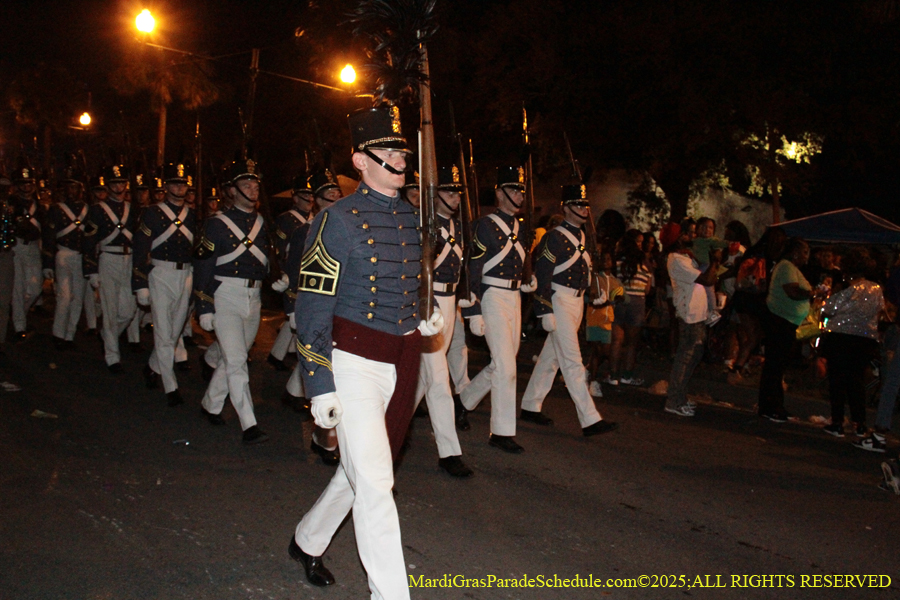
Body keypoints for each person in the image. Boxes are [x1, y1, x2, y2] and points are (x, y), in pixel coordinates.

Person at [288, 106, 441, 599]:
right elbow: (311, 308)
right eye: (389, 151)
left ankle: (307, 538)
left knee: (364, 469)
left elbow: (409, 279)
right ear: (361, 160)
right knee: (376, 482)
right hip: (352, 362)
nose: (400, 158)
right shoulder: (335, 220)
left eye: (402, 150)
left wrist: (426, 310)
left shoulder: (412, 216)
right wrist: (319, 384)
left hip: (403, 358)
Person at [520, 184, 618, 436]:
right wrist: (544, 310)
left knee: (550, 359)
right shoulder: (554, 236)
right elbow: (543, 274)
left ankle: (530, 405)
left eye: (585, 204)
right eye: (577, 204)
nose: (583, 209)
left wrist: (591, 295)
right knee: (573, 361)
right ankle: (590, 419)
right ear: (565, 208)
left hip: (576, 301)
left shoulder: (582, 236)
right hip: (559, 300)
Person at [457, 166, 537, 453]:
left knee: (503, 363)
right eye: (513, 190)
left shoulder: (522, 227)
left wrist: (529, 278)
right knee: (505, 366)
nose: (519, 195)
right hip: (491, 296)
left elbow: (524, 259)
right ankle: (501, 432)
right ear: (499, 193)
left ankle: (464, 401)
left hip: (515, 297)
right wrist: (472, 310)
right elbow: (473, 269)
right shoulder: (484, 225)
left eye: (521, 190)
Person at [193, 158, 270, 444]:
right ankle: (249, 424)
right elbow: (203, 265)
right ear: (232, 191)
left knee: (231, 358)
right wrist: (204, 305)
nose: (252, 189)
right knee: (237, 360)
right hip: (225, 294)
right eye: (245, 184)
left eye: (255, 184)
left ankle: (210, 404)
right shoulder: (216, 225)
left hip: (254, 296)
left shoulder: (263, 222)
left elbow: (268, 259)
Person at [412, 164, 474, 477]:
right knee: (439, 378)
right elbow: (417, 271)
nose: (456, 196)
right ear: (435, 194)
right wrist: (431, 305)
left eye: (458, 191)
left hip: (451, 302)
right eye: (449, 190)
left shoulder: (459, 226)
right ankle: (449, 452)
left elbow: (467, 267)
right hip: (429, 301)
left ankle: (382, 431)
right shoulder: (424, 224)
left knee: (422, 380)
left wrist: (468, 303)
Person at [132, 162, 198, 407]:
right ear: (167, 186)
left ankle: (151, 367)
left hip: (186, 275)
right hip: (160, 273)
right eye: (174, 183)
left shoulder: (193, 215)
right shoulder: (152, 213)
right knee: (162, 331)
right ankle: (170, 386)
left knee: (174, 330)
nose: (179, 187)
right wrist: (140, 282)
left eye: (183, 183)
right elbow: (140, 248)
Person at [818, 248, 884, 437]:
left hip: (840, 336)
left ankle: (837, 421)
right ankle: (859, 423)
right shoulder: (876, 289)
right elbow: (878, 312)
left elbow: (829, 309)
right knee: (856, 380)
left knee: (837, 379)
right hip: (864, 338)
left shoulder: (847, 288)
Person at [82, 165, 140, 373]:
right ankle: (112, 357)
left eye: (122, 182)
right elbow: (89, 240)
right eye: (115, 183)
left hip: (129, 259)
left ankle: (108, 336)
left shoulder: (132, 209)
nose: (119, 187)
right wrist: (92, 270)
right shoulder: (97, 210)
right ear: (108, 185)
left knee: (128, 311)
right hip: (108, 259)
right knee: (109, 310)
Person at [664, 225, 722, 416]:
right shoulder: (677, 260)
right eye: (688, 233)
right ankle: (673, 401)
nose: (693, 236)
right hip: (689, 314)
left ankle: (679, 397)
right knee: (685, 358)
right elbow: (707, 280)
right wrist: (714, 261)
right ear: (678, 238)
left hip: (697, 313)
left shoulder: (687, 257)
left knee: (692, 357)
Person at [758, 237, 815, 422]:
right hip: (780, 321)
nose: (808, 256)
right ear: (796, 252)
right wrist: (812, 293)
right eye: (805, 252)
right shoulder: (787, 267)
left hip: (786, 321)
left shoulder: (790, 268)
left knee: (777, 365)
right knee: (775, 365)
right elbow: (792, 292)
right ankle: (771, 407)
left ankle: (773, 405)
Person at [268, 174, 315, 372]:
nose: (309, 200)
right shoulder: (285, 220)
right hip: (292, 271)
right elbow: (279, 249)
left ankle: (277, 354)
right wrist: (281, 274)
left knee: (294, 319)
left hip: (309, 271)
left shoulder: (315, 220)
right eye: (304, 195)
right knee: (295, 315)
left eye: (311, 195)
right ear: (295, 198)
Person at [42, 167, 88, 350]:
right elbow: (49, 236)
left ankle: (70, 335)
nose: (71, 191)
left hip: (81, 256)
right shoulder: (56, 209)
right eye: (68, 187)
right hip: (63, 254)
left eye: (74, 187)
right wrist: (47, 262)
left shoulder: (87, 209)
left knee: (78, 298)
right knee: (64, 297)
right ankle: (58, 333)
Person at [607, 230, 652, 386]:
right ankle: (627, 375)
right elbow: (647, 289)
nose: (641, 244)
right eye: (639, 241)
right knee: (632, 343)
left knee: (616, 341)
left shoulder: (617, 261)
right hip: (637, 303)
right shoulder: (645, 262)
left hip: (619, 300)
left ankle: (613, 375)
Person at [9, 164, 45, 340]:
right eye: (23, 183)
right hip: (17, 247)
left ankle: (18, 316)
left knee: (35, 288)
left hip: (33, 246)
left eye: (29, 183)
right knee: (18, 287)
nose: (26, 187)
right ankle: (19, 326)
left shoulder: (39, 205)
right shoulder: (11, 203)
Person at [586, 251, 624, 396]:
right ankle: (594, 382)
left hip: (608, 320)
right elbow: (591, 298)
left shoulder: (615, 281)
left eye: (609, 259)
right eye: (603, 259)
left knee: (605, 352)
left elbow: (624, 297)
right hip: (595, 318)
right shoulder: (595, 278)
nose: (606, 261)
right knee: (598, 350)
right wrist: (603, 301)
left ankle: (587, 372)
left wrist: (619, 297)